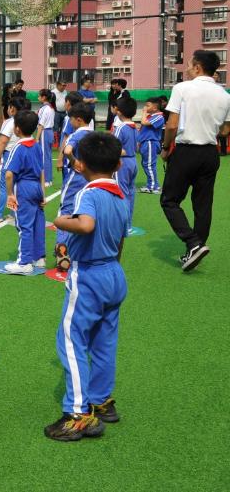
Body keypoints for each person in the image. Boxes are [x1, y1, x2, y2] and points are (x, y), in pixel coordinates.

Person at [47, 132, 128, 441]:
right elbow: (120, 239)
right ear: (118, 164)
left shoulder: (88, 193)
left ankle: (77, 413)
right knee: (104, 342)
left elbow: (85, 224)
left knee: (71, 340)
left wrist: (60, 221)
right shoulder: (120, 195)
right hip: (113, 272)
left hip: (89, 275)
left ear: (79, 165)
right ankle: (101, 399)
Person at [160, 50, 230, 272]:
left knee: (170, 200)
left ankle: (193, 243)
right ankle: (195, 248)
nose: (187, 68)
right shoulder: (225, 95)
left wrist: (165, 148)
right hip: (210, 153)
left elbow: (172, 124)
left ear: (198, 67)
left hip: (186, 151)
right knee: (203, 205)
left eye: (189, 64)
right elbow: (225, 131)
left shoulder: (182, 88)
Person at [54, 103, 95, 272]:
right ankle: (81, 250)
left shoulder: (76, 135)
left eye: (70, 119)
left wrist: (73, 161)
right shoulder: (94, 134)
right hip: (91, 179)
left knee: (66, 211)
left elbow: (67, 150)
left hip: (75, 179)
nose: (69, 122)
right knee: (85, 213)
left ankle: (62, 250)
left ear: (78, 120)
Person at [4, 110, 46, 274]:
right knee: (37, 224)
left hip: (24, 187)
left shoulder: (18, 147)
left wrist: (10, 194)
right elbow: (41, 171)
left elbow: (9, 174)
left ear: (17, 129)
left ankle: (24, 262)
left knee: (24, 225)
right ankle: (39, 258)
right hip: (36, 186)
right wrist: (43, 194)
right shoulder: (37, 146)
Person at [0, 96, 28, 223]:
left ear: (12, 108)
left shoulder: (10, 122)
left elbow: (3, 141)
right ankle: (14, 212)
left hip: (8, 154)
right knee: (14, 184)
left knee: (1, 184)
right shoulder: (25, 121)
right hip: (21, 154)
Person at [111, 97, 138, 235]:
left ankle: (123, 226)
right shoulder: (135, 127)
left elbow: (114, 146)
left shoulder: (121, 127)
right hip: (133, 161)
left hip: (122, 163)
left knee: (121, 194)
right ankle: (128, 224)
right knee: (130, 193)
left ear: (119, 111)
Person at [138, 97, 165, 194]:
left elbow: (144, 122)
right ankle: (150, 184)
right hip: (146, 143)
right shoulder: (151, 116)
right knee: (146, 164)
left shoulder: (159, 116)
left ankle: (154, 186)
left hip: (151, 143)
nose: (145, 107)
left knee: (149, 165)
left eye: (147, 105)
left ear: (155, 108)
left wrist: (144, 112)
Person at [38, 89, 57, 187]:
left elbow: (41, 124)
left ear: (44, 97)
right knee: (48, 156)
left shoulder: (44, 109)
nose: (38, 97)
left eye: (39, 96)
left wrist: (37, 138)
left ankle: (46, 180)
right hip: (50, 132)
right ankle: (49, 179)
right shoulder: (51, 108)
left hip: (44, 132)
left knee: (44, 157)